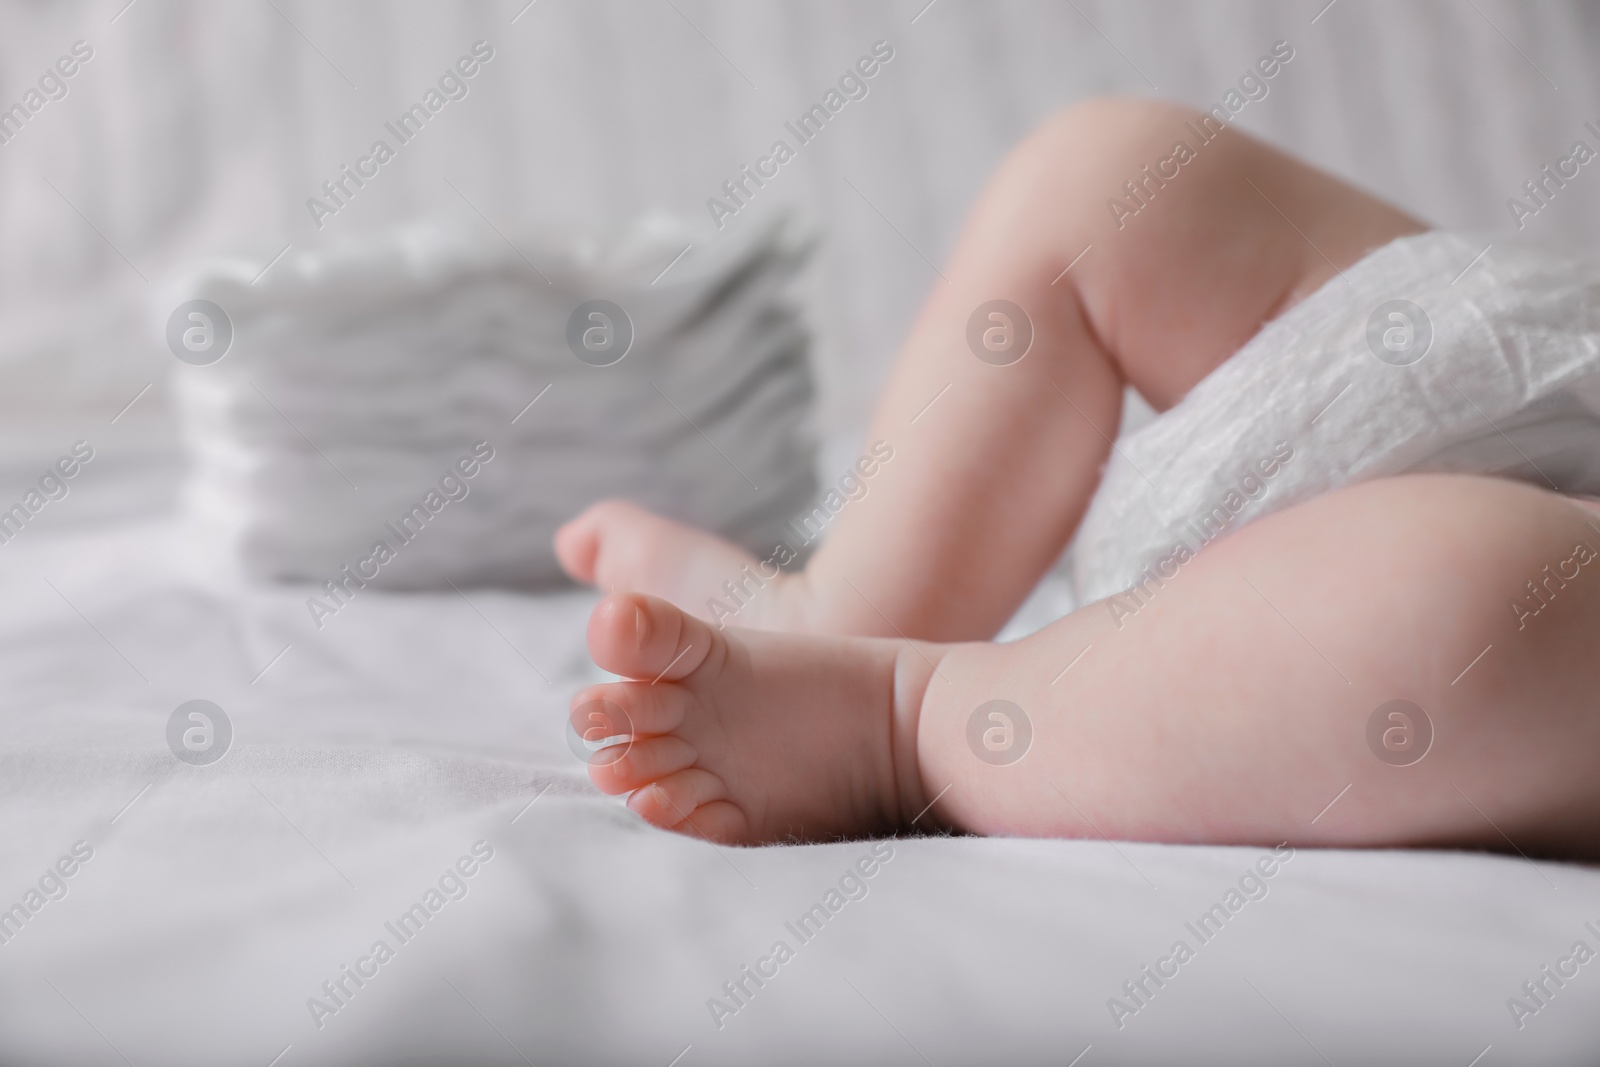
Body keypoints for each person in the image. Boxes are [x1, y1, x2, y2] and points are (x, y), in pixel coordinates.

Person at [552, 98, 1600, 857]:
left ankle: (908, 719)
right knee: (1116, 180)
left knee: (1466, 615)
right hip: (1548, 358)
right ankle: (845, 604)